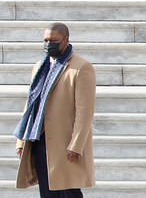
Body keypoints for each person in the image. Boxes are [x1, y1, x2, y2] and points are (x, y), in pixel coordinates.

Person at [14, 23, 96, 198]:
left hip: (65, 144)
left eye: (53, 40)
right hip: (40, 140)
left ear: (65, 41)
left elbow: (85, 112)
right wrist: (22, 141)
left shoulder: (81, 67)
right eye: (45, 40)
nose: (48, 44)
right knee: (47, 192)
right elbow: (30, 104)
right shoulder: (39, 66)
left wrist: (76, 145)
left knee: (68, 192)